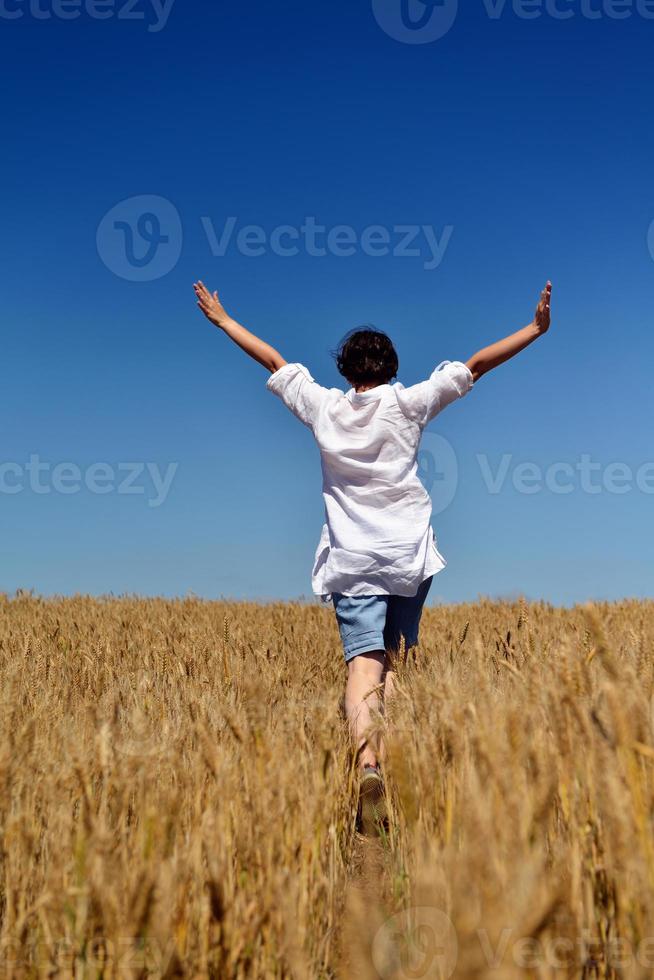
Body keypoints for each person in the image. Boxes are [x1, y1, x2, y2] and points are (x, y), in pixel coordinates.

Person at [193, 279, 552, 833]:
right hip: (407, 553)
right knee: (398, 659)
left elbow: (271, 358)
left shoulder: (324, 409)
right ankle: (400, 769)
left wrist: (221, 319)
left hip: (353, 556)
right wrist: (533, 329)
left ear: (345, 371)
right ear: (391, 366)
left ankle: (368, 763)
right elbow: (477, 364)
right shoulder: (408, 404)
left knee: (365, 665)